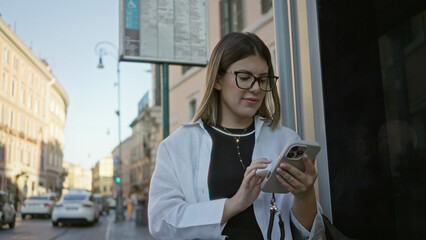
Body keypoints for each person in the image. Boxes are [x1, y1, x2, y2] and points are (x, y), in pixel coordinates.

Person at [148, 32, 325, 239]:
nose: (256, 88)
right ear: (217, 80)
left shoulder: (285, 140)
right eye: (244, 78)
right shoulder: (178, 145)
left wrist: (305, 194)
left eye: (263, 79)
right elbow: (161, 221)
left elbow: (306, 233)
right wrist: (234, 204)